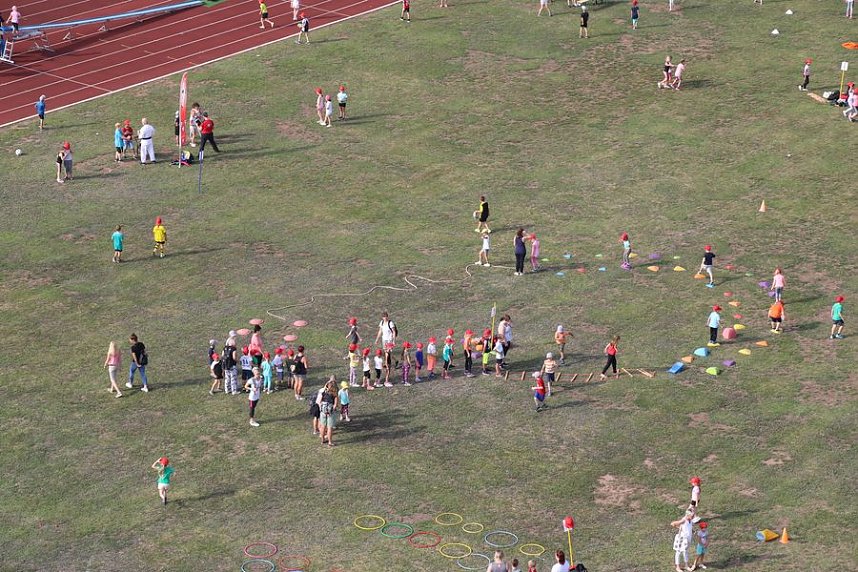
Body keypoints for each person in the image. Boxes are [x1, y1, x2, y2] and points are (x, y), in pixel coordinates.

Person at [317, 377, 339, 446]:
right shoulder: (334, 395)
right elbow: (335, 405)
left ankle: (322, 440)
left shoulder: (323, 392)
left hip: (323, 411)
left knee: (323, 426)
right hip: (330, 412)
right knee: (329, 427)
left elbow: (319, 402)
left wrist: (322, 408)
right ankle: (330, 442)